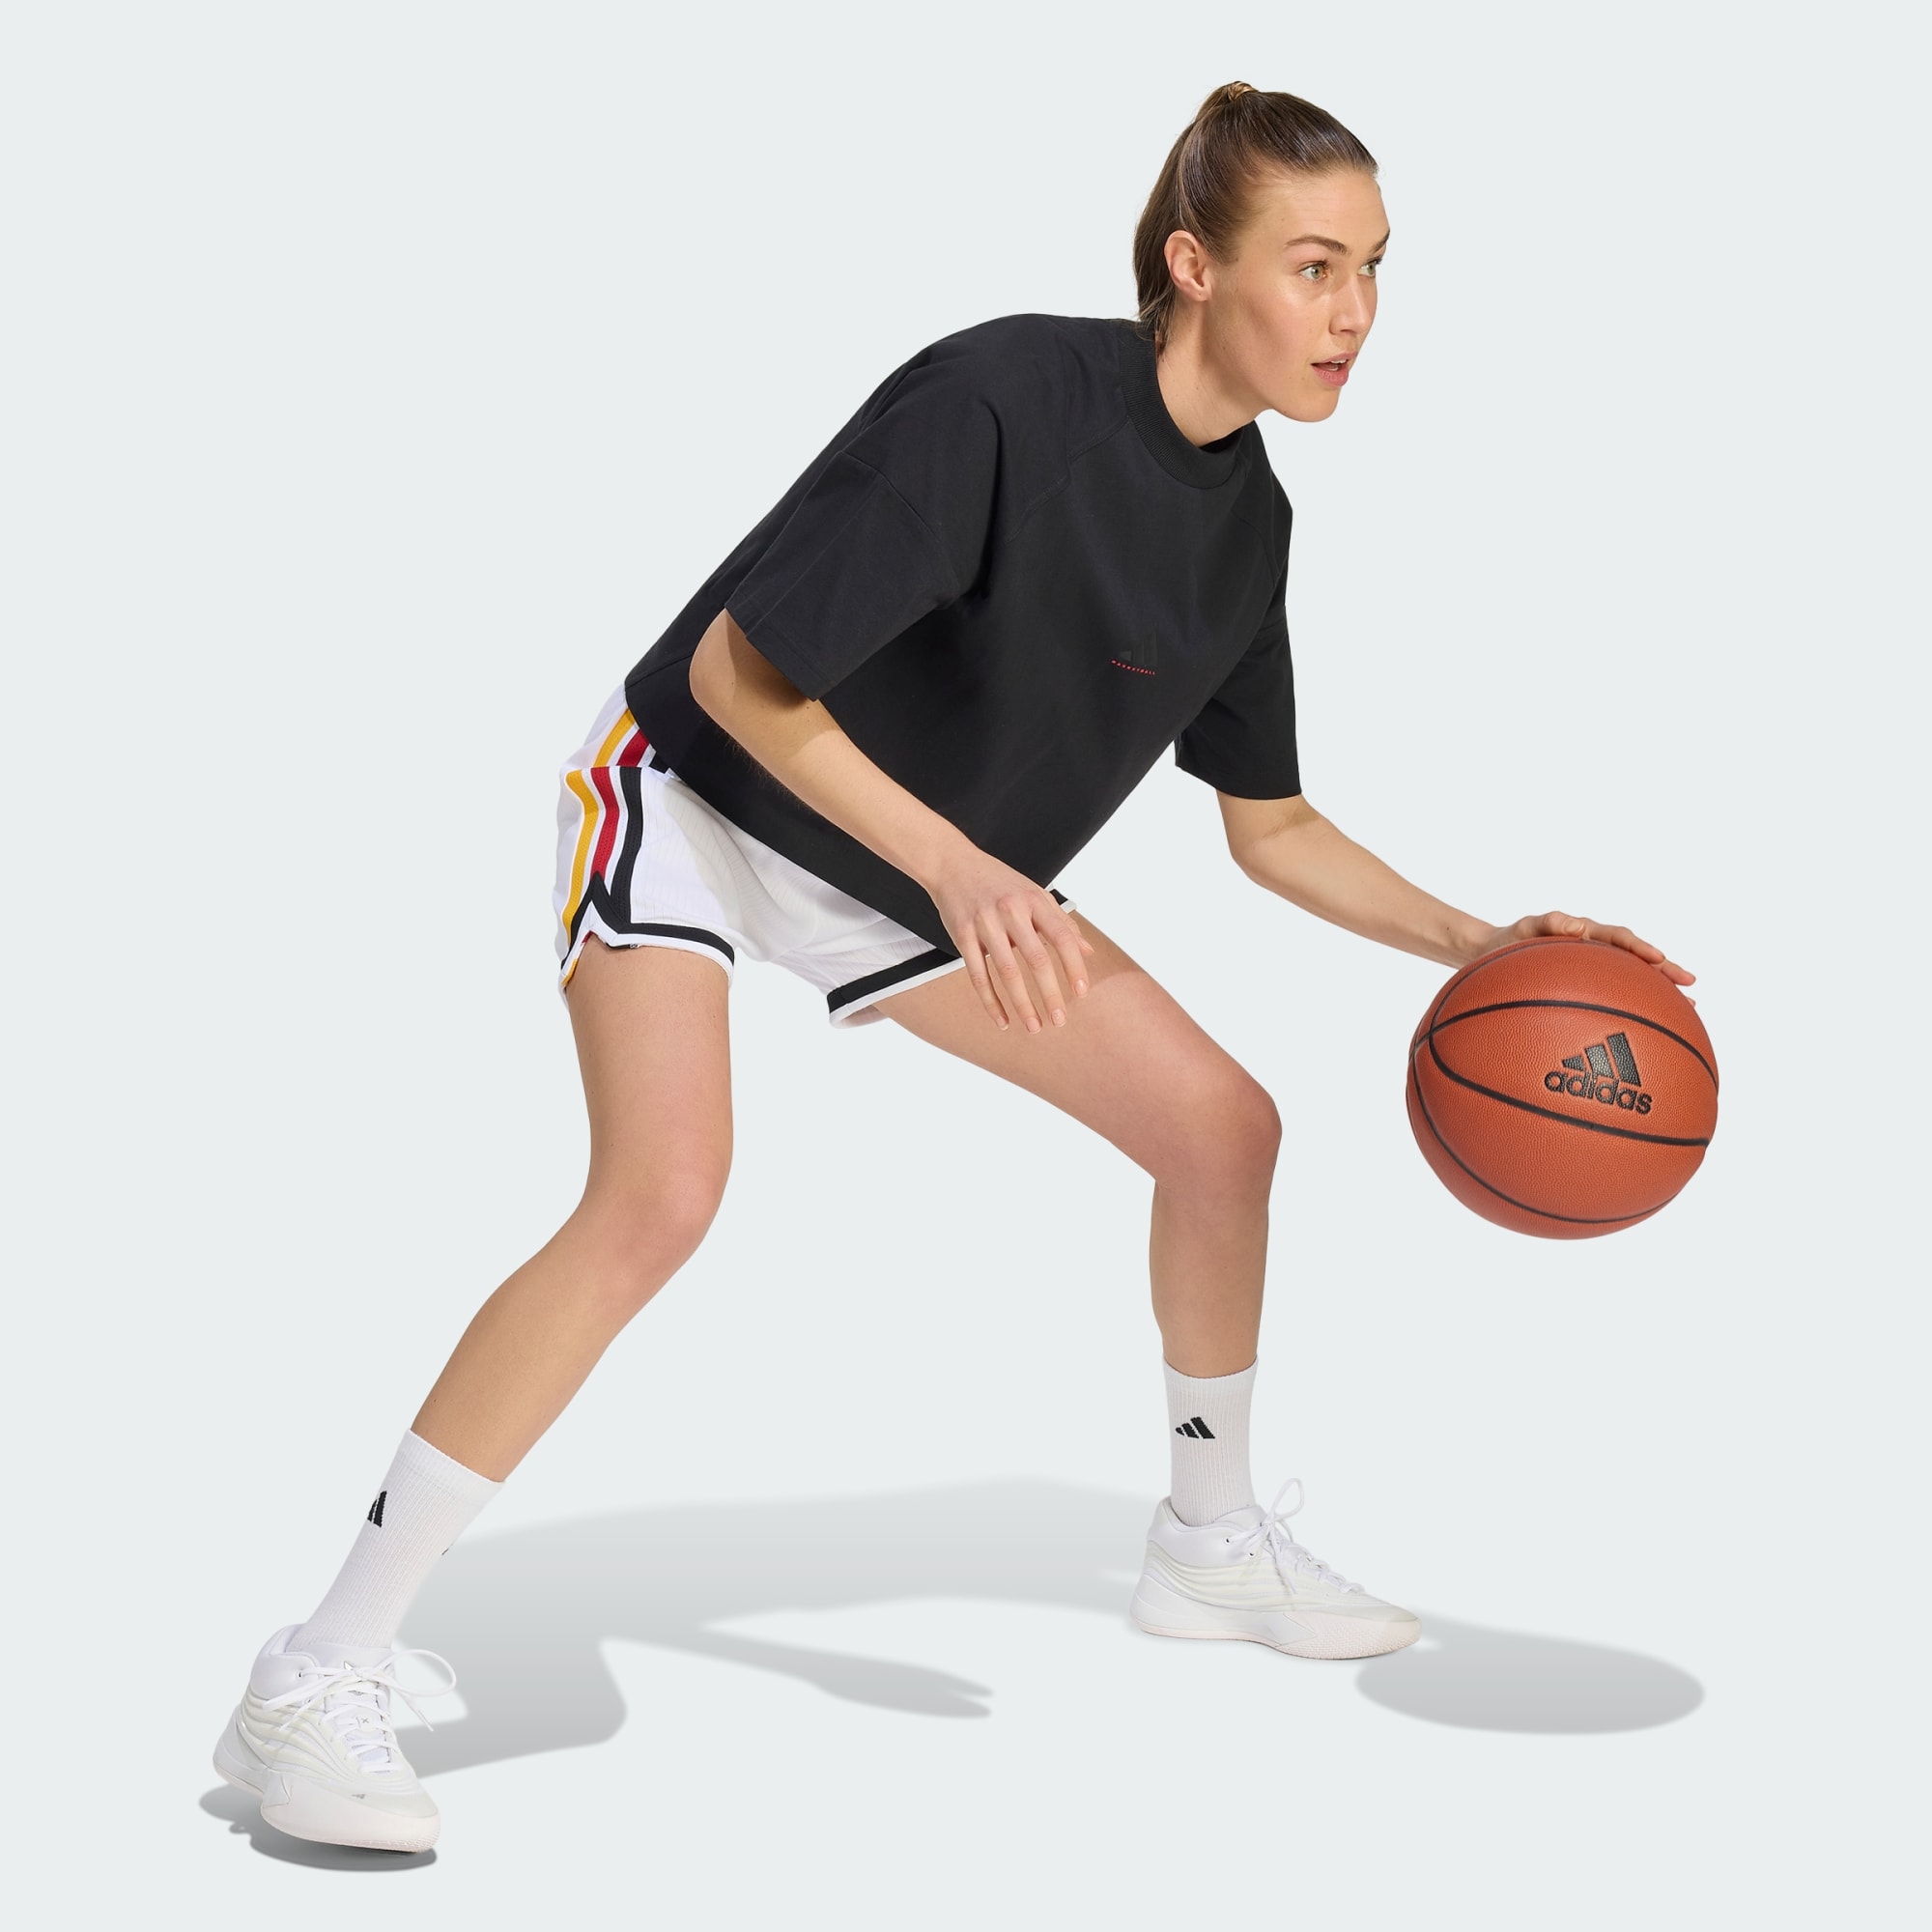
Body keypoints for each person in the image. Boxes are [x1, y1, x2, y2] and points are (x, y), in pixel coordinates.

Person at [212, 81, 1692, 1853]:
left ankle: (1207, 1544)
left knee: (1223, 1132)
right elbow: (747, 674)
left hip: (917, 874)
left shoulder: (1251, 525)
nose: (1356, 313)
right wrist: (961, 866)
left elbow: (1273, 826)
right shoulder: (1005, 399)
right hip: (697, 796)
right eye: (1315, 267)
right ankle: (318, 1668)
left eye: (1377, 268)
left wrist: (1489, 940)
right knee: (661, 1196)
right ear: (1192, 266)